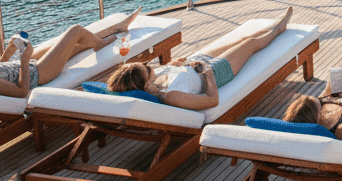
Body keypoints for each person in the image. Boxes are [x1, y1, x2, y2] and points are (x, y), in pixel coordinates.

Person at [107, 8, 292, 110]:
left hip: (196, 61)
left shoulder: (152, 83)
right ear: (146, 85)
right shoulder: (171, 96)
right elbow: (212, 100)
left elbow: (174, 75)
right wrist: (208, 73)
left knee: (241, 39)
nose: (149, 66)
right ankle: (278, 29)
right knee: (250, 44)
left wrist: (175, 64)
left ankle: (271, 25)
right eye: (147, 68)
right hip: (215, 72)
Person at [0, 8, 144, 97]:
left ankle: (116, 28)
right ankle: (100, 43)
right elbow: (21, 92)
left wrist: (10, 49)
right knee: (75, 31)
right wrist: (24, 61)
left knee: (77, 42)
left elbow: (2, 66)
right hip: (39, 74)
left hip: (31, 65)